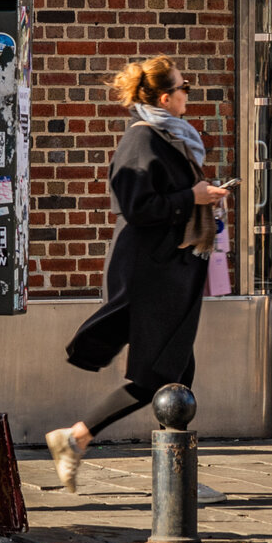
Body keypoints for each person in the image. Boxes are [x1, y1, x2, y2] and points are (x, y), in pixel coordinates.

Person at [45, 56, 229, 492]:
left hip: (171, 271)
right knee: (158, 376)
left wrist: (199, 196)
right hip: (152, 275)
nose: (189, 95)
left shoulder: (171, 137)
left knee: (177, 374)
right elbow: (136, 208)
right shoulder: (142, 142)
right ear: (166, 97)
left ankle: (178, 479)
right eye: (185, 88)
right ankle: (76, 437)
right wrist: (193, 196)